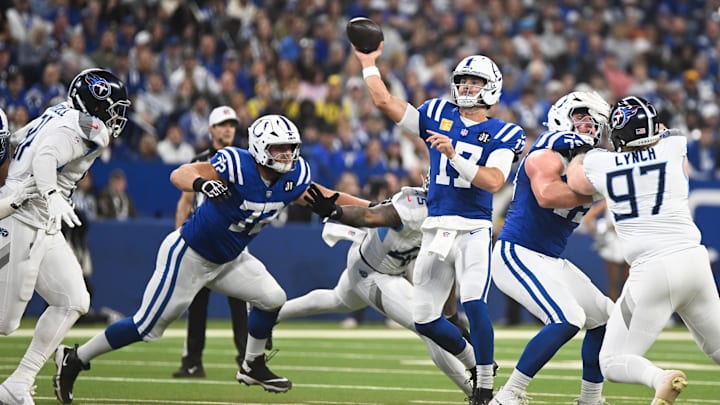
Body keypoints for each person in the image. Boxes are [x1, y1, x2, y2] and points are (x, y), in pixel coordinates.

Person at [52, 114, 370, 403]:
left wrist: (373, 208)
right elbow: (180, 174)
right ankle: (75, 358)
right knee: (147, 327)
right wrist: (203, 183)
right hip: (190, 254)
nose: (287, 155)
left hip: (230, 259)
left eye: (290, 148)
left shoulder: (293, 176)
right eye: (279, 149)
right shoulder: (237, 164)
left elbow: (327, 197)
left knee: (273, 298)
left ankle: (252, 364)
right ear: (260, 148)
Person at [353, 44, 526, 404]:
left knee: (474, 302)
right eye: (462, 81)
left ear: (491, 87)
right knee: (425, 320)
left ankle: (483, 389)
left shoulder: (504, 132)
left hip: (474, 227)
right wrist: (368, 62)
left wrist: (453, 154)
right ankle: (477, 365)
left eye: (475, 82)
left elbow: (494, 181)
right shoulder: (435, 112)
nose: (466, 88)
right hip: (437, 228)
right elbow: (385, 102)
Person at [567, 96, 720, 405]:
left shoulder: (599, 161)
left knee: (610, 361)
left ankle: (660, 378)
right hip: (694, 261)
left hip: (652, 271)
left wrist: (575, 157)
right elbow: (668, 137)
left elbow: (576, 183)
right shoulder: (674, 144)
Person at [0, 68, 131, 405]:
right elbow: (45, 157)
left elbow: (16, 139)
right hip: (25, 214)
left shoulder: (59, 109)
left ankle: (18, 383)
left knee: (74, 299)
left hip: (42, 216)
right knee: (5, 322)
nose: (117, 116)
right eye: (114, 107)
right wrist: (52, 194)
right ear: (97, 102)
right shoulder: (90, 127)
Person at [489, 91, 614, 405]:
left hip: (549, 258)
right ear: (562, 115)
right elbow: (546, 195)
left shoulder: (588, 163)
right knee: (568, 318)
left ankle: (590, 399)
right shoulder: (548, 151)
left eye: (594, 119)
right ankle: (508, 395)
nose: (588, 124)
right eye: (580, 116)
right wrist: (597, 194)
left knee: (604, 318)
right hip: (518, 253)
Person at [289, 183, 473, 397]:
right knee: (430, 328)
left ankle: (272, 313)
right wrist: (335, 211)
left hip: (381, 266)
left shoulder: (451, 218)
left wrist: (451, 315)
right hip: (373, 271)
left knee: (338, 300)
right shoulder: (413, 206)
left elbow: (443, 264)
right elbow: (368, 216)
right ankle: (477, 393)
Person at [171, 105, 250, 378]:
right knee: (196, 305)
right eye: (222, 124)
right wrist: (179, 236)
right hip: (202, 241)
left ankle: (248, 360)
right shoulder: (201, 160)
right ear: (211, 129)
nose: (229, 128)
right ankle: (192, 362)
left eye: (232, 124)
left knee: (241, 303)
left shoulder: (245, 161)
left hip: (233, 243)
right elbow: (185, 201)